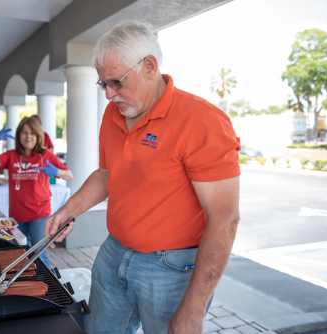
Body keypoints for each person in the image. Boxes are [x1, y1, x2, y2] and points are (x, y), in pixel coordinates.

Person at [44, 19, 241, 334]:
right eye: (102, 84)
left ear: (150, 66)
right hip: (113, 252)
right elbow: (108, 173)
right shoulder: (115, 112)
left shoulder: (203, 121)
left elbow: (224, 219)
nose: (109, 95)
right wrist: (70, 209)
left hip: (171, 269)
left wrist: (193, 310)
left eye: (116, 82)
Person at [0, 117, 73, 268]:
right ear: (19, 135)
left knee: (39, 253)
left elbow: (69, 174)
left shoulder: (45, 155)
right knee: (20, 253)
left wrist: (56, 171)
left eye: (32, 132)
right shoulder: (12, 155)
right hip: (17, 215)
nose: (28, 136)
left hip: (39, 214)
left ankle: (50, 286)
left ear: (38, 135)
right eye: (24, 132)